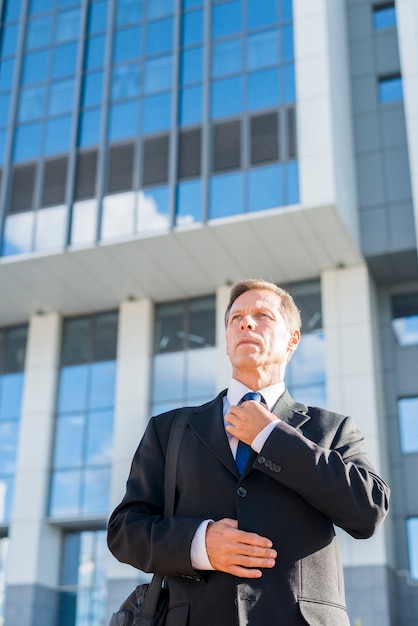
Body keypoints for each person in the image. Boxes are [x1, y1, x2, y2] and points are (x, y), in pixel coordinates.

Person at [107, 278, 390, 626]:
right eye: (235, 317)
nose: (246, 322)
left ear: (293, 340)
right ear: (227, 342)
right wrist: (199, 544)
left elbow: (369, 510)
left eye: (262, 315)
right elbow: (125, 531)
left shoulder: (332, 429)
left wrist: (271, 435)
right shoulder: (169, 431)